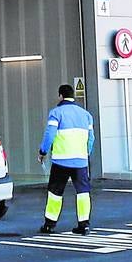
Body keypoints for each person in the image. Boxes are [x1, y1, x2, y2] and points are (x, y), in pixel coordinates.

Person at [37, 83, 95, 235]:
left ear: (60, 96)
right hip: (80, 162)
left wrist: (43, 152)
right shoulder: (86, 115)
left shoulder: (56, 113)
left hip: (61, 161)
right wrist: (85, 153)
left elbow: (50, 135)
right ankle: (84, 225)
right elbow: (91, 138)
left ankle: (49, 225)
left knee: (55, 193)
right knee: (83, 193)